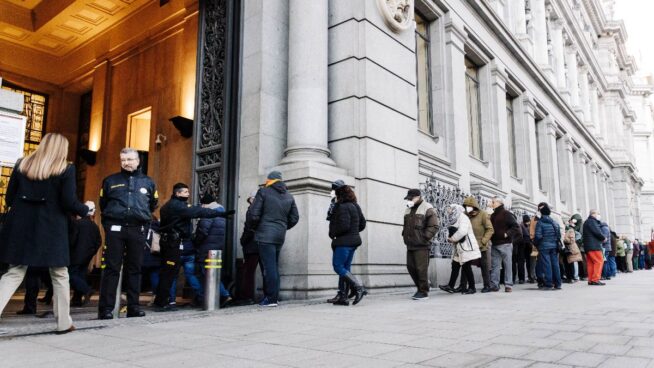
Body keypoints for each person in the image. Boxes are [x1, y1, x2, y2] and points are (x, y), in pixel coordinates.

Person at [0, 133, 89, 334]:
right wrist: (85, 209)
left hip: (20, 225)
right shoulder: (66, 168)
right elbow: (68, 201)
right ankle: (63, 323)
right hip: (51, 227)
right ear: (62, 149)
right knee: (59, 273)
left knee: (14, 272)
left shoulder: (22, 164)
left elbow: (9, 198)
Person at [98, 147, 158, 320]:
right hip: (116, 229)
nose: (126, 163)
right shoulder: (110, 180)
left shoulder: (148, 182)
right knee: (112, 269)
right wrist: (109, 226)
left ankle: (133, 307)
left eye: (130, 159)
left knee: (135, 269)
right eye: (123, 160)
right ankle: (106, 309)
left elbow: (153, 204)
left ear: (138, 161)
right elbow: (104, 203)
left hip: (137, 229)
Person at [154, 183, 232, 311]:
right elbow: (197, 211)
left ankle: (163, 300)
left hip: (172, 242)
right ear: (177, 193)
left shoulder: (171, 205)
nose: (188, 194)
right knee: (170, 273)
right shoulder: (177, 206)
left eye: (188, 191)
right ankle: (163, 302)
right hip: (174, 243)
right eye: (185, 192)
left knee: (169, 272)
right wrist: (218, 213)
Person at [250, 171, 300, 307]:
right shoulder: (289, 196)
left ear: (269, 180)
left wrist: (255, 228)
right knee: (273, 266)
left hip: (265, 234)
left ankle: (271, 299)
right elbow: (295, 218)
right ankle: (273, 297)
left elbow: (254, 214)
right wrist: (283, 226)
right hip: (279, 235)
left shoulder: (263, 192)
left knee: (268, 267)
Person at [327, 181, 367, 306]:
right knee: (345, 269)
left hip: (343, 242)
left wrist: (333, 233)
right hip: (353, 242)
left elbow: (344, 225)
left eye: (333, 190)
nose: (331, 192)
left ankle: (358, 287)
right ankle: (343, 297)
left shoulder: (342, 206)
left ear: (339, 192)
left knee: (338, 266)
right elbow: (362, 224)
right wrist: (354, 232)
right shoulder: (355, 205)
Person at [194, 193, 232, 307]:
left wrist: (195, 242)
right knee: (211, 272)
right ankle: (212, 297)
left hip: (206, 247)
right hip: (217, 246)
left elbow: (203, 231)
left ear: (204, 204)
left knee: (206, 272)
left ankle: (223, 294)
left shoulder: (209, 213)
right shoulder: (220, 211)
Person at [402, 188, 439, 300]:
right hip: (410, 243)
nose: (409, 200)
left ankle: (423, 291)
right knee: (411, 267)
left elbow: (434, 226)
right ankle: (420, 288)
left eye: (411, 198)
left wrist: (425, 237)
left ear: (418, 197)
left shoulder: (427, 208)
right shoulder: (408, 209)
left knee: (421, 268)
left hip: (422, 244)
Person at [439, 204, 481, 294]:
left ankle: (472, 287)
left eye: (449, 208)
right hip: (459, 247)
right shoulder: (454, 218)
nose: (448, 210)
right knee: (455, 265)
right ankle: (450, 286)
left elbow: (462, 231)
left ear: (455, 209)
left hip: (466, 246)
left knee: (466, 267)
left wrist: (452, 238)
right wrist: (449, 238)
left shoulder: (463, 217)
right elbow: (450, 230)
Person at [456, 196, 493, 293]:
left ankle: (487, 285)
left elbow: (490, 229)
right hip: (467, 245)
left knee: (484, 266)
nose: (467, 208)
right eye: (466, 206)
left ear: (474, 206)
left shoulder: (483, 214)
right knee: (465, 266)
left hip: (480, 245)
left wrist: (483, 241)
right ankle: (462, 285)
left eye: (469, 206)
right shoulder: (464, 215)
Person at [69, 201, 102, 307]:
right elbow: (98, 241)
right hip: (87, 256)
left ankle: (87, 290)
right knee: (80, 276)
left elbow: (72, 240)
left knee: (70, 275)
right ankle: (76, 300)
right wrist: (92, 252)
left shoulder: (77, 224)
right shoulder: (94, 226)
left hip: (75, 255)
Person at [489, 196, 520, 292]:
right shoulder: (493, 215)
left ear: (499, 203)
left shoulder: (506, 214)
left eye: (493, 201)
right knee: (495, 265)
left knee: (508, 265)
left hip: (505, 244)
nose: (491, 203)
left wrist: (507, 234)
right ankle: (494, 285)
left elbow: (515, 226)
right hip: (495, 243)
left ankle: (508, 285)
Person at [238, 190, 262, 304]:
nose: (250, 201)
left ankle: (247, 297)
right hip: (262, 244)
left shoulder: (252, 210)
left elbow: (249, 229)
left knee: (248, 271)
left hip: (252, 245)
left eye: (251, 199)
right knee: (264, 270)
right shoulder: (263, 210)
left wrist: (243, 240)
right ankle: (270, 295)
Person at [534, 204, 562, 290]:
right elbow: (559, 235)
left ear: (541, 213)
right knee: (555, 264)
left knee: (546, 265)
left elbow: (538, 236)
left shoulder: (540, 222)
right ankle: (558, 284)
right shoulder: (555, 222)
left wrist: (536, 244)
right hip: (554, 246)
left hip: (544, 246)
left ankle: (549, 284)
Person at [582, 210, 606, 285]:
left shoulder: (587, 221)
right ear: (593, 214)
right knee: (599, 261)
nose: (599, 215)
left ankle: (591, 279)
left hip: (588, 246)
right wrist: (603, 238)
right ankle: (595, 279)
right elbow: (597, 231)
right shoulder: (592, 221)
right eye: (598, 213)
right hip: (594, 245)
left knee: (591, 263)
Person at [570, 214, 587, 281]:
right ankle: (582, 275)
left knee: (582, 261)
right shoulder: (579, 225)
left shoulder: (580, 226)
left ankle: (584, 275)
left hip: (580, 246)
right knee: (581, 261)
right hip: (580, 246)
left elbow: (580, 236)